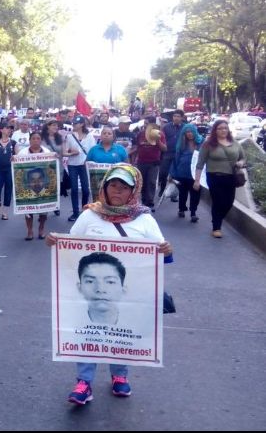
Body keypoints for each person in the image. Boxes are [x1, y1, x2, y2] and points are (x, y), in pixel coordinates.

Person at [45, 164, 172, 405]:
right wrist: (54, 242)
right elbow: (70, 246)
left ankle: (119, 376)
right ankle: (84, 382)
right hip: (90, 292)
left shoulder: (144, 219)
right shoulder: (89, 215)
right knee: (86, 330)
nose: (117, 191)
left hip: (127, 292)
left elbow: (161, 254)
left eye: (124, 187)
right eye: (113, 185)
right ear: (104, 186)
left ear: (133, 191)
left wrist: (166, 249)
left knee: (121, 332)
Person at [194, 120, 246, 238]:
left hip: (231, 177)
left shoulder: (235, 143)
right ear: (215, 130)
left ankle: (217, 219)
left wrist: (240, 163)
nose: (223, 130)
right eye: (220, 128)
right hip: (214, 177)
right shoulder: (208, 144)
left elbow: (243, 158)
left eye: (225, 128)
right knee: (217, 201)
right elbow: (200, 163)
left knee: (229, 202)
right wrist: (197, 181)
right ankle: (216, 227)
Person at [16, 133, 52, 240]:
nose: (36, 140)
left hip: (43, 185)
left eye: (38, 138)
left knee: (44, 209)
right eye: (33, 138)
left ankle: (41, 229)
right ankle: (30, 231)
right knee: (28, 209)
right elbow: (18, 168)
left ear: (41, 140)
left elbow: (51, 168)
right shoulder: (23, 152)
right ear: (30, 140)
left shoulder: (46, 152)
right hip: (28, 185)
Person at [76, 252, 127, 325]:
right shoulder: (68, 323)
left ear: (123, 289)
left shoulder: (138, 325)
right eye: (90, 281)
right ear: (79, 288)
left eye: (110, 282)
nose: (100, 289)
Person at [64, 115, 96, 221]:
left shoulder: (90, 137)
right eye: (73, 123)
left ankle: (84, 210)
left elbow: (93, 151)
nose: (73, 125)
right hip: (73, 164)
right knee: (74, 189)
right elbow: (64, 151)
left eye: (76, 123)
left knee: (86, 190)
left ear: (82, 124)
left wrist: (90, 162)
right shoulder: (69, 136)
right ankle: (75, 212)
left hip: (84, 165)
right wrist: (71, 153)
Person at [171, 123, 204, 223]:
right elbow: (176, 159)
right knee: (183, 193)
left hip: (196, 173)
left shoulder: (201, 142)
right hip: (182, 173)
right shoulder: (181, 143)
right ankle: (181, 209)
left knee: (196, 194)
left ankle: (193, 213)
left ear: (194, 132)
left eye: (191, 132)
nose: (189, 134)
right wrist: (172, 173)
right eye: (187, 132)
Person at [0, 122, 15, 220]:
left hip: (9, 169)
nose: (9, 130)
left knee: (8, 190)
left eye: (10, 128)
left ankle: (5, 212)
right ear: (1, 129)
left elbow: (18, 156)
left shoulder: (13, 143)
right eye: (7, 128)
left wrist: (15, 157)